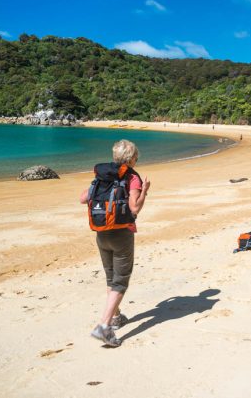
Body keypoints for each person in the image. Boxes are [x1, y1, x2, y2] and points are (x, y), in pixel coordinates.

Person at [79, 139, 151, 347]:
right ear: (132, 158)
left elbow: (83, 199)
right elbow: (134, 209)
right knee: (120, 282)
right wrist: (144, 190)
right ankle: (104, 326)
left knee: (111, 277)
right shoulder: (132, 177)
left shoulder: (103, 175)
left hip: (101, 232)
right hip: (122, 234)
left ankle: (117, 317)